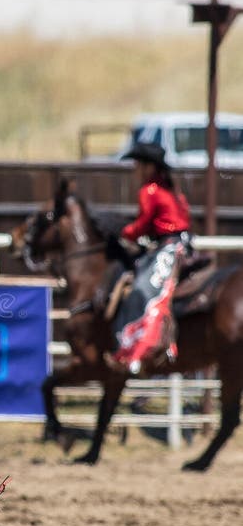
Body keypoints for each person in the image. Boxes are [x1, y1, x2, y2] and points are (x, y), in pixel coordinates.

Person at [111, 140, 191, 376]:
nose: (135, 169)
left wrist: (123, 232)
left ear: (149, 167)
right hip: (180, 244)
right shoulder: (172, 191)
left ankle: (137, 350)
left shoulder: (150, 192)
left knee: (144, 291)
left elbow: (143, 223)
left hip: (168, 248)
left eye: (138, 164)